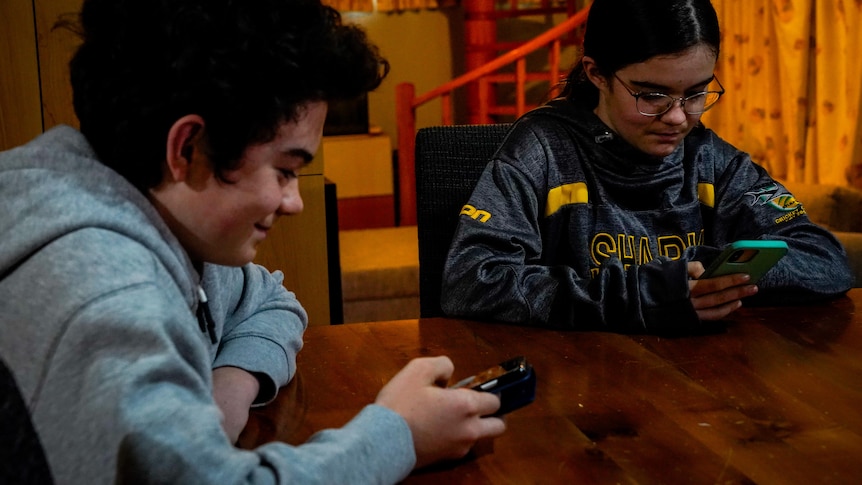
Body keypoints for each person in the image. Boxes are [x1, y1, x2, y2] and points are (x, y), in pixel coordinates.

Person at [0, 0, 505, 483]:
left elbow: (268, 299)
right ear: (188, 149)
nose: (294, 202)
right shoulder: (110, 294)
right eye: (285, 170)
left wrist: (231, 386)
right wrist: (400, 435)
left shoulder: (150, 214)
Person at [441, 0, 853, 333]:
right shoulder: (543, 151)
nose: (677, 118)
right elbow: (471, 281)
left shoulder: (710, 159)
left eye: (695, 93)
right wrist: (647, 293)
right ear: (597, 73)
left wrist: (710, 276)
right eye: (651, 95)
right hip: (576, 391)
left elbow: (825, 259)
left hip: (699, 394)